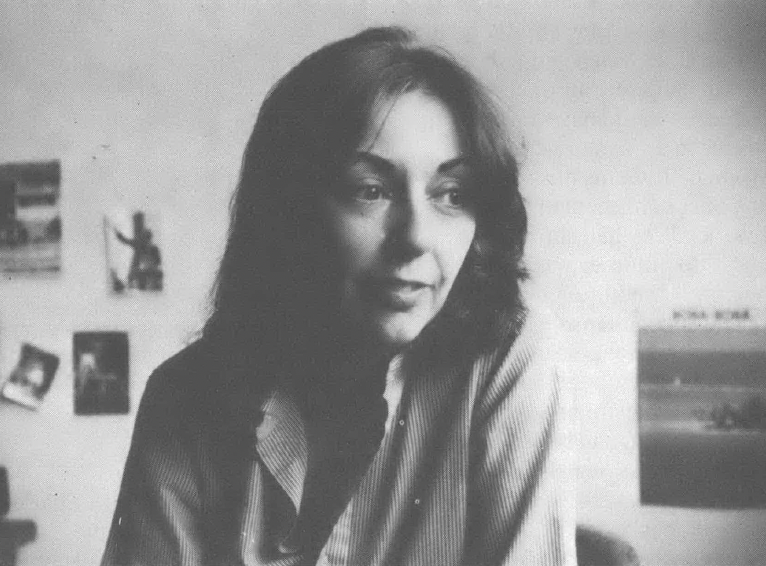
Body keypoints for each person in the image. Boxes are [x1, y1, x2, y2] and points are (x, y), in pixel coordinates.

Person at [101, 26, 575, 566]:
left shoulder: (510, 355)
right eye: (370, 190)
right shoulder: (184, 398)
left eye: (452, 194)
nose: (417, 236)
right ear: (290, 211)